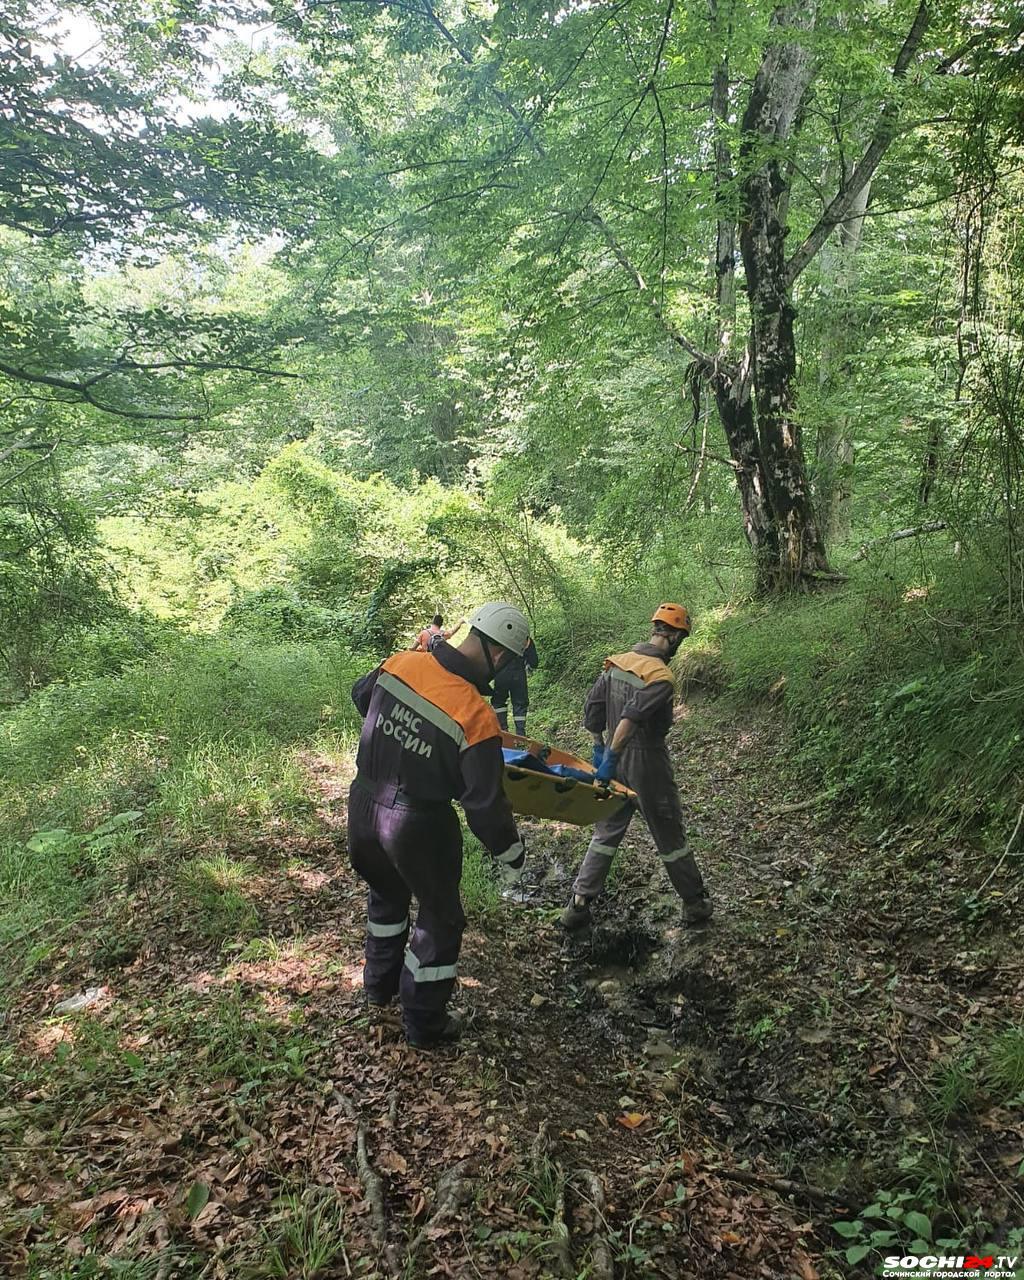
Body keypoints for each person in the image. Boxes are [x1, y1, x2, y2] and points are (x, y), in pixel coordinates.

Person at [349, 602, 531, 1048]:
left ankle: (378, 987)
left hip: (363, 805)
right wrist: (511, 853)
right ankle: (424, 1022)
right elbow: (485, 806)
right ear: (500, 656)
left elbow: (360, 696)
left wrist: (400, 738)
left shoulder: (400, 662)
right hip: (417, 825)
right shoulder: (475, 715)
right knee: (441, 919)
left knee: (386, 894)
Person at [560, 604, 713, 931]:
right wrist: (612, 754)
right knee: (669, 832)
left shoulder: (618, 662)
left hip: (615, 761)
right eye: (680, 639)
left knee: (607, 831)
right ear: (673, 637)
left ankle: (578, 905)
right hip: (647, 763)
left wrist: (599, 746)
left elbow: (592, 709)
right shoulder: (661, 676)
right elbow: (631, 717)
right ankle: (695, 903)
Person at [491, 635, 539, 737]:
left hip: (501, 673)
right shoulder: (526, 639)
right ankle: (521, 735)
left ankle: (504, 732)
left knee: (499, 701)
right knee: (520, 704)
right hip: (519, 675)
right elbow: (534, 662)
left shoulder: (498, 635)